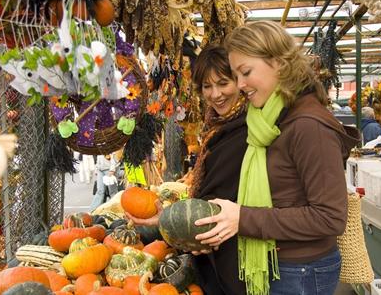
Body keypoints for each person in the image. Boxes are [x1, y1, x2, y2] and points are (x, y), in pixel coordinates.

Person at [193, 21, 360, 295]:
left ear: (279, 64)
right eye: (236, 75)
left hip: (302, 272)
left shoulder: (308, 125)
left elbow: (330, 217)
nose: (241, 85)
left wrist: (243, 218)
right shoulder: (269, 118)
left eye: (245, 72)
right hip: (279, 264)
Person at [125, 44, 248, 295]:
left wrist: (181, 226)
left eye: (223, 83)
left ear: (240, 81)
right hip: (214, 250)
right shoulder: (218, 126)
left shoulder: (245, 131)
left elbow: (218, 203)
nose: (216, 94)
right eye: (207, 86)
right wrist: (168, 219)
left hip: (234, 260)